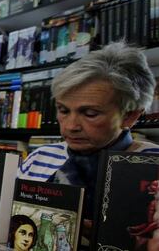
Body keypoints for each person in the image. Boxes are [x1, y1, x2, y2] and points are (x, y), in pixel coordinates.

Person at [19, 42, 159, 246]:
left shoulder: (152, 166)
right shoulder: (40, 157)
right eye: (63, 110)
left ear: (130, 116)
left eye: (90, 113)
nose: (70, 126)